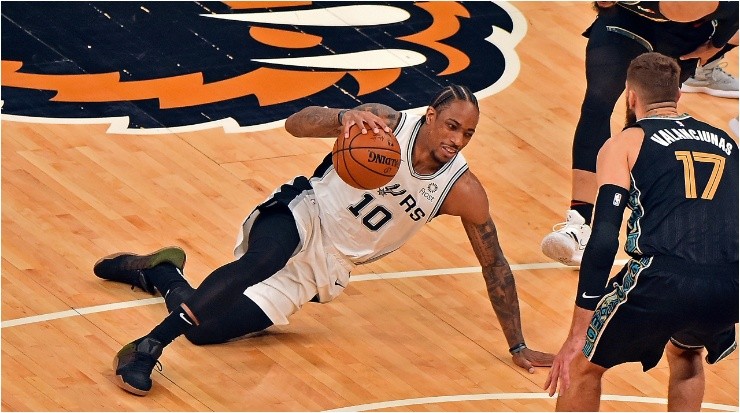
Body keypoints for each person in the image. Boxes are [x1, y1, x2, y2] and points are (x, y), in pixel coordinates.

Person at [94, 84, 555, 396]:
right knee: (264, 259)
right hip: (306, 211)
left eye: (468, 134)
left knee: (203, 329)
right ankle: (148, 347)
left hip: (326, 264)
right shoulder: (383, 123)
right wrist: (341, 117)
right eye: (452, 126)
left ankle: (160, 271)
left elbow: (494, 266)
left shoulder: (463, 190)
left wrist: (517, 345)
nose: (458, 139)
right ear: (431, 115)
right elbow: (296, 122)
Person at [543, 52, 738, 411]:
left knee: (579, 365)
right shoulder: (726, 142)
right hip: (730, 283)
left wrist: (577, 331)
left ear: (631, 96)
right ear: (678, 96)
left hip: (664, 278)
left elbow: (603, 238)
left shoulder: (626, 142)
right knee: (687, 354)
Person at [541, 1, 739, 266]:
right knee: (597, 102)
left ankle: (632, 225)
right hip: (625, 20)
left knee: (645, 122)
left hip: (683, 36)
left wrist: (714, 47)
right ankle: (579, 224)